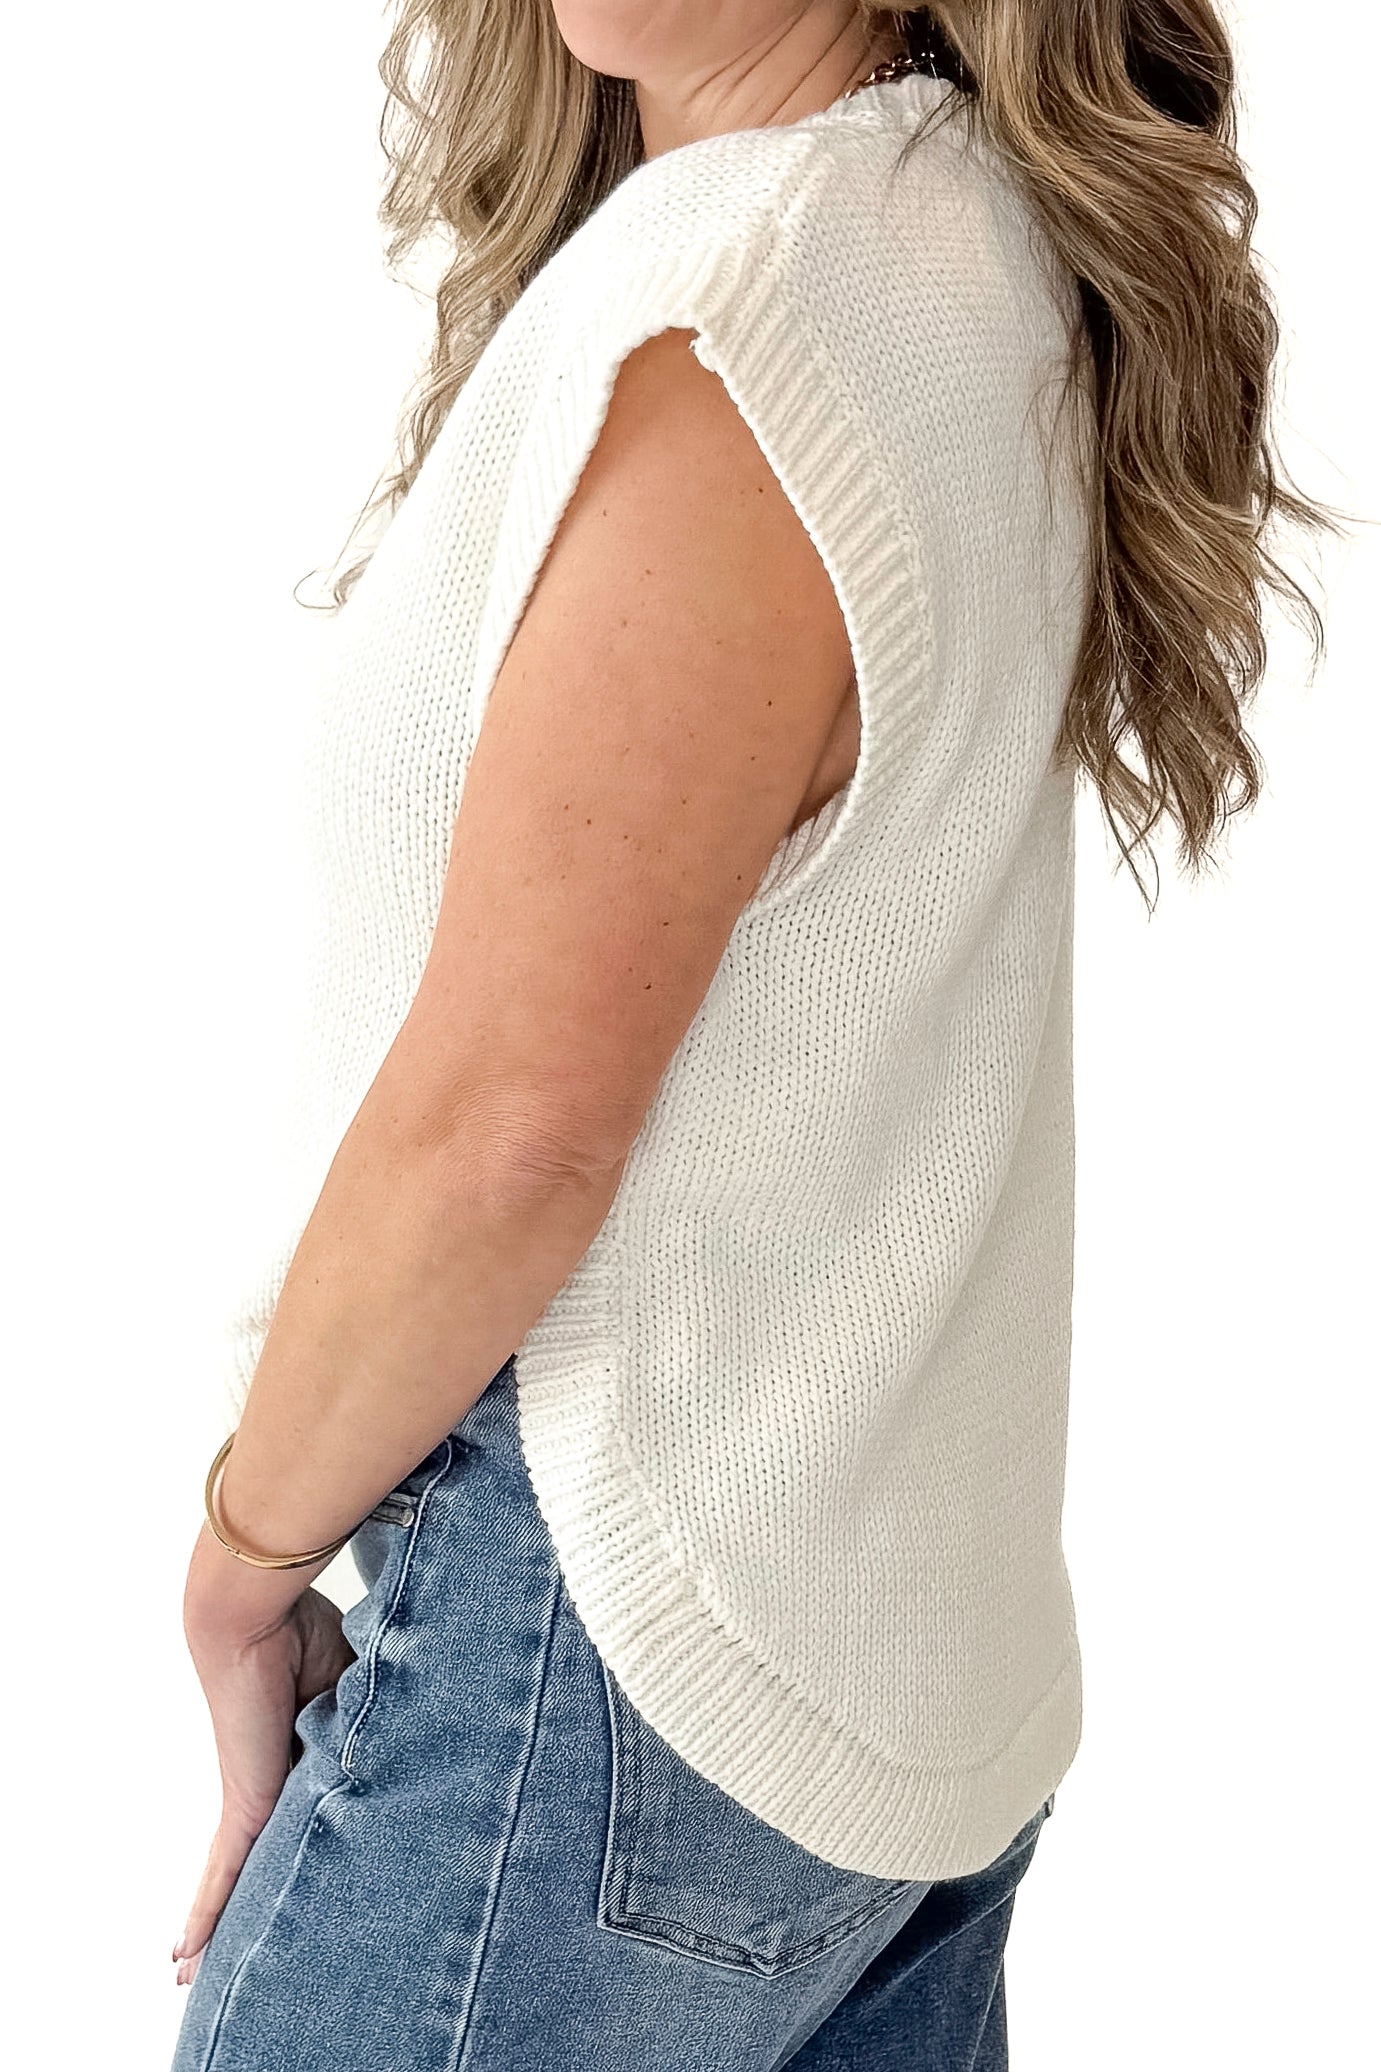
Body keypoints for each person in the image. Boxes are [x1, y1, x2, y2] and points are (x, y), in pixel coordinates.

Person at [169, 4, 1338, 2067]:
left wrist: (249, 1544)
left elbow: (512, 1123)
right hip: (882, 1701)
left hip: (605, 1660)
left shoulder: (747, 312)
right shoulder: (957, 242)